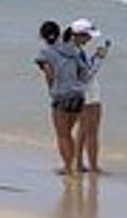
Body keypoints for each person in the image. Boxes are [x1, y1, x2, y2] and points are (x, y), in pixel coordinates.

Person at [34, 20, 104, 176]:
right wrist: (98, 60)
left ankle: (68, 168)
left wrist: (52, 90)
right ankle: (76, 165)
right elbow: (85, 74)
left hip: (61, 95)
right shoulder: (72, 51)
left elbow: (48, 73)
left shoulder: (46, 52)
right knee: (73, 132)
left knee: (63, 135)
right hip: (78, 96)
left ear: (41, 36)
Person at [68, 19, 109, 174]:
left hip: (76, 92)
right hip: (87, 93)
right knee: (92, 131)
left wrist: (94, 58)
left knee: (83, 129)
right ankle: (93, 166)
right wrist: (99, 59)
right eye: (87, 36)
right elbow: (87, 75)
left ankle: (78, 164)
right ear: (78, 35)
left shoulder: (69, 49)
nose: (90, 39)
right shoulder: (76, 52)